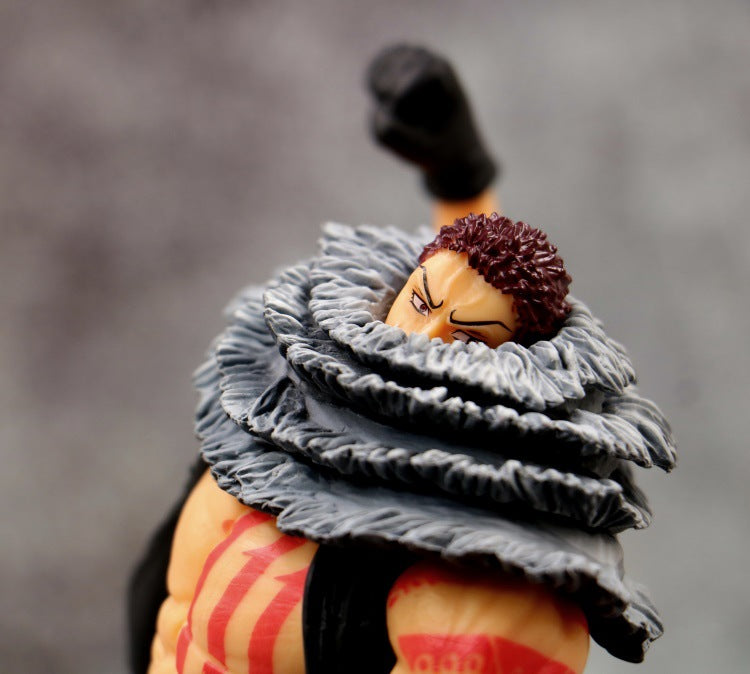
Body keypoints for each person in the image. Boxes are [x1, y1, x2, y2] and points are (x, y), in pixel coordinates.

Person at [130, 45, 668, 674]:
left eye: (468, 340)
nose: (425, 336)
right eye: (418, 302)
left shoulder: (480, 575)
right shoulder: (276, 411)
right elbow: (462, 267)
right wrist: (462, 179)